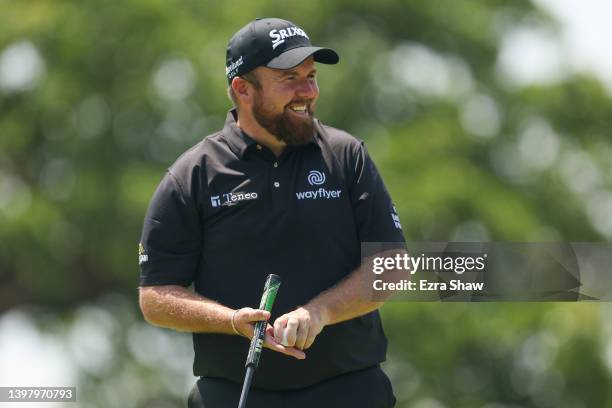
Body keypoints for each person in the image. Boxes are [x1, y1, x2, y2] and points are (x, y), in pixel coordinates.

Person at [138, 17, 406, 407]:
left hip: (349, 390)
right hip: (234, 394)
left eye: (312, 76)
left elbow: (392, 264)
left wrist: (319, 313)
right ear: (243, 89)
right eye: (290, 78)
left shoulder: (346, 157)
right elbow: (155, 296)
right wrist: (230, 321)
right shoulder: (193, 175)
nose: (308, 90)